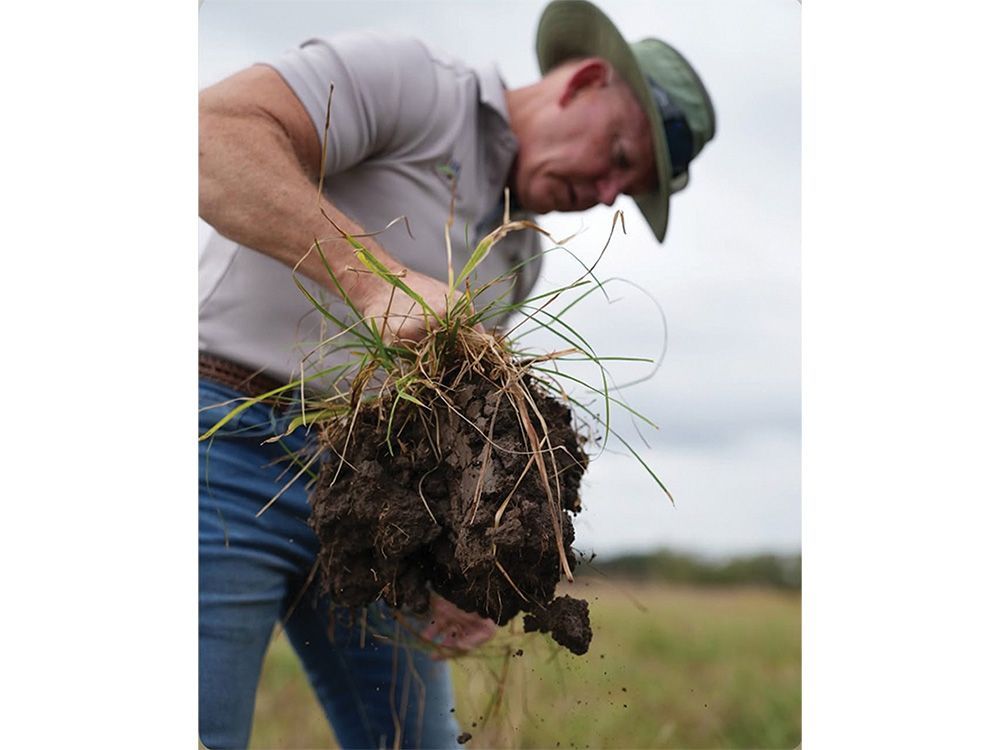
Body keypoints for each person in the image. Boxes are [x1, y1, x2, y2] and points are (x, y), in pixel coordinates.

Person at [198, 1, 715, 747]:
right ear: (585, 83)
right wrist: (371, 280)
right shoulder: (414, 85)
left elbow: (453, 434)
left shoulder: (519, 257)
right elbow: (210, 134)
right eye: (618, 156)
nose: (607, 193)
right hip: (224, 445)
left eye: (625, 191)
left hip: (372, 500)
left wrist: (465, 560)